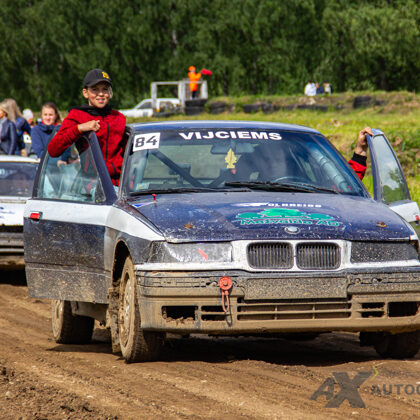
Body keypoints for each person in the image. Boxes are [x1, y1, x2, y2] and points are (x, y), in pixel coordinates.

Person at [48, 68, 126, 186]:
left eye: (105, 89)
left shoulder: (119, 118)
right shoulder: (76, 115)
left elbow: (128, 154)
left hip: (120, 185)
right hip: (92, 186)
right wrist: (79, 128)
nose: (101, 94)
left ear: (110, 92)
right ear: (85, 93)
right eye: (95, 89)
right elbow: (53, 150)